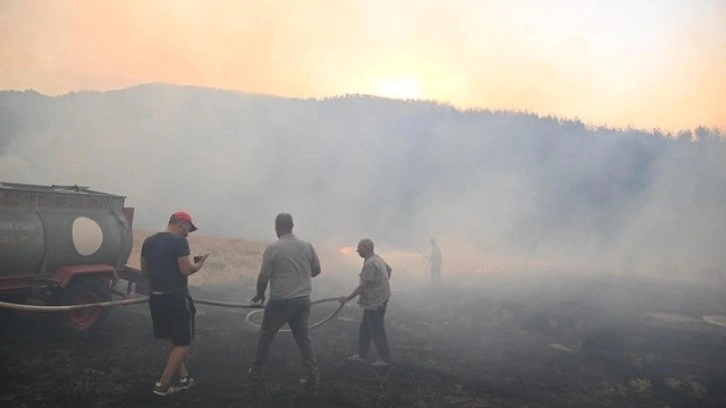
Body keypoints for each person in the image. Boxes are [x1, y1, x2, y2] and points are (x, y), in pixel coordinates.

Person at [248, 213, 321, 394]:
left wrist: (259, 295)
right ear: (292, 226)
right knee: (303, 339)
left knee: (266, 335)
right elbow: (316, 270)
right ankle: (313, 377)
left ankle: (256, 371)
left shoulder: (273, 248)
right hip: (302, 300)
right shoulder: (307, 245)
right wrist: (301, 274)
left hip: (280, 301)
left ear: (277, 227)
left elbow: (263, 277)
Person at [141, 210, 208, 396]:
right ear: (181, 223)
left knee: (171, 338)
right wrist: (199, 264)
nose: (188, 233)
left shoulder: (148, 241)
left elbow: (145, 272)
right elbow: (185, 269)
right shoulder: (179, 242)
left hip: (156, 298)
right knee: (183, 343)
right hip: (176, 299)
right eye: (188, 228)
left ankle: (184, 377)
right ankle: (163, 385)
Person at [339, 238, 392, 367]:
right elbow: (389, 269)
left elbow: (363, 286)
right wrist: (382, 285)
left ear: (367, 247)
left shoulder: (370, 264)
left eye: (359, 247)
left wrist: (347, 298)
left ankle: (385, 359)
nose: (357, 250)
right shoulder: (377, 259)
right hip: (380, 299)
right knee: (365, 329)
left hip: (374, 303)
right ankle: (362, 355)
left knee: (376, 330)